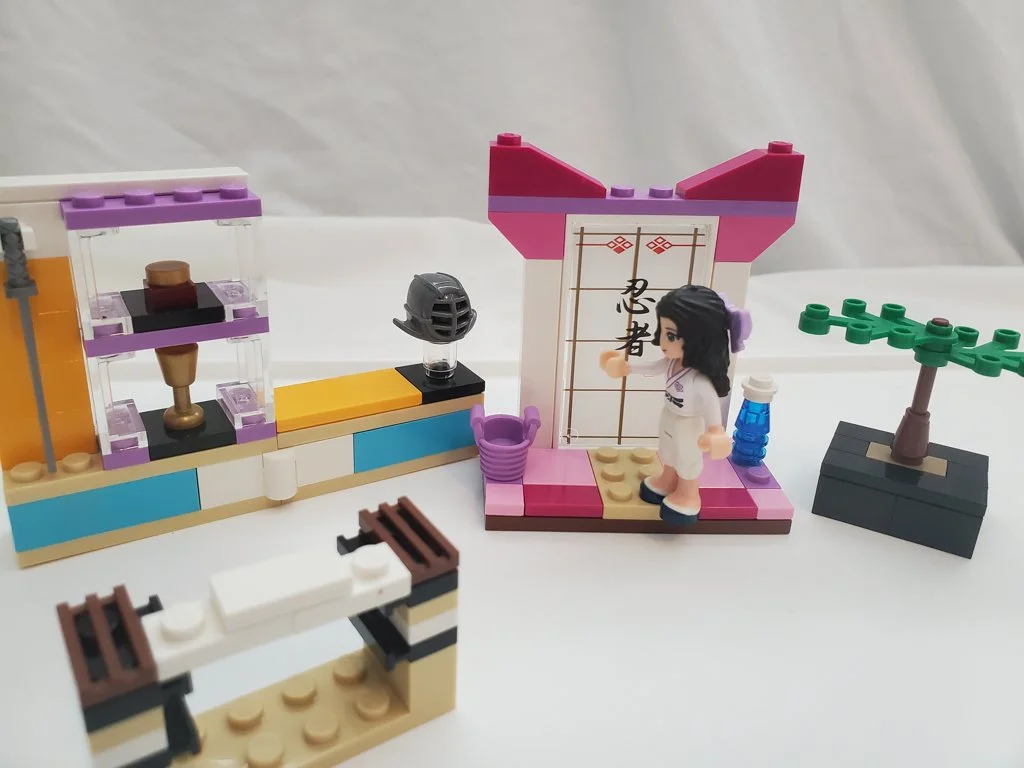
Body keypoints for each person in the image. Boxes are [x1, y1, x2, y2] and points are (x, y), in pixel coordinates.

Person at [599, 285, 751, 524]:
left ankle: (689, 493)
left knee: (687, 456)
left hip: (689, 423)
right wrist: (627, 368)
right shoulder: (671, 362)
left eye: (671, 336)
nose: (662, 341)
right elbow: (652, 367)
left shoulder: (699, 380)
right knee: (669, 450)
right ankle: (668, 480)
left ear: (700, 338)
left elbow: (710, 402)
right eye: (662, 331)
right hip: (670, 413)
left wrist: (715, 430)